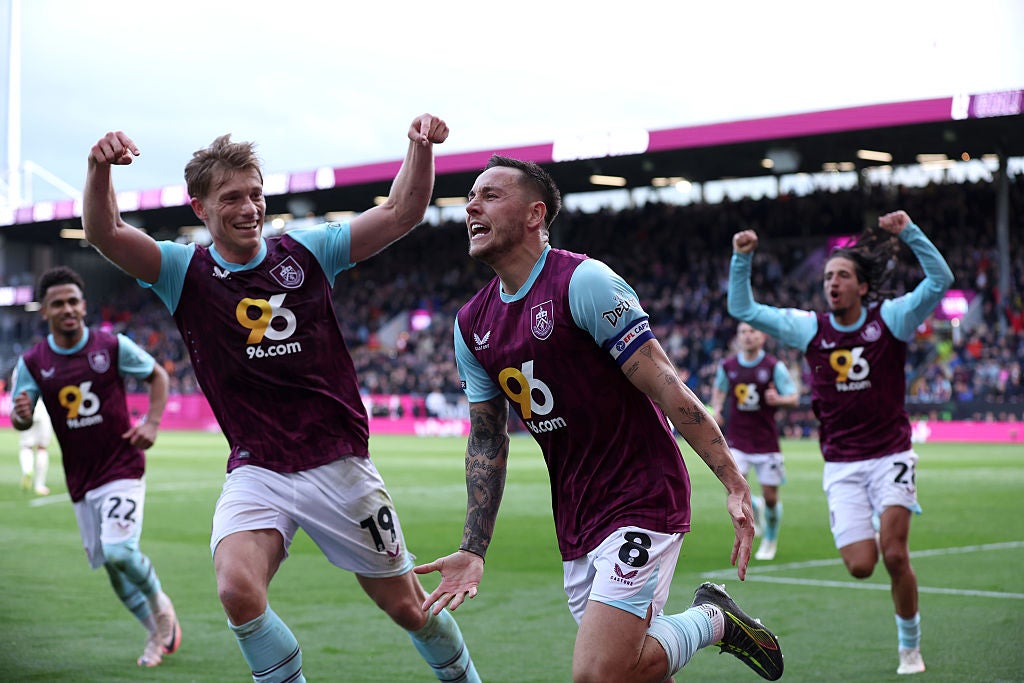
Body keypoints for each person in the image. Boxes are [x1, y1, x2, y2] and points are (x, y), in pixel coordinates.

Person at [83, 115, 482, 683]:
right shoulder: (181, 270)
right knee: (236, 589)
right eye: (232, 198)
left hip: (339, 464)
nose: (249, 208)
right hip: (258, 467)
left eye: (256, 194)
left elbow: (401, 213)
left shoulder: (309, 251)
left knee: (409, 608)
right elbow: (105, 233)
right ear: (200, 208)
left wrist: (418, 149)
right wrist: (99, 169)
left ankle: (464, 678)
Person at [415, 155, 784, 683]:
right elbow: (486, 443)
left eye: (490, 195)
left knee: (599, 675)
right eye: (471, 197)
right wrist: (473, 548)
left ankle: (712, 620)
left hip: (641, 495)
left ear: (535, 214)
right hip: (576, 513)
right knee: (633, 671)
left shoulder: (582, 282)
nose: (471, 206)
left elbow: (664, 382)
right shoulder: (471, 323)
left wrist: (730, 478)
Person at [727, 210, 954, 676]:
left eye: (843, 275)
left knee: (894, 554)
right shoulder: (809, 327)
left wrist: (909, 232)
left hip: (891, 453)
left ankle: (909, 648)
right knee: (861, 566)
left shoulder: (892, 318)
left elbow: (940, 280)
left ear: (862, 287)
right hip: (842, 465)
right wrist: (741, 259)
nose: (833, 282)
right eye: (828, 275)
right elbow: (744, 310)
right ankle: (874, 512)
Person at [9, 266, 180, 668]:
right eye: (58, 304)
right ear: (44, 312)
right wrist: (19, 415)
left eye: (73, 301)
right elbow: (22, 415)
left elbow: (157, 376)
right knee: (113, 569)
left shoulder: (112, 346)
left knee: (121, 552)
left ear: (83, 305)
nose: (67, 309)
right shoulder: (33, 363)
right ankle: (155, 632)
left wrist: (152, 423)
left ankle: (162, 612)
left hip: (121, 465)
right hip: (81, 479)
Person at [710, 321, 799, 561]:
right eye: (743, 332)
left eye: (752, 332)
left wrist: (778, 399)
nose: (748, 336)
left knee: (771, 497)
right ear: (738, 338)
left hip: (766, 442)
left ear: (761, 337)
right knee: (735, 489)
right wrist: (717, 408)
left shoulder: (773, 366)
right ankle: (755, 515)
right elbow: (719, 391)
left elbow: (793, 397)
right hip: (738, 440)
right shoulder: (728, 366)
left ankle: (770, 536)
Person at [17, 396, 53, 495]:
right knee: (42, 448)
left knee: (26, 446)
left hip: (26, 407)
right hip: (45, 408)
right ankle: (39, 485)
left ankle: (27, 470)